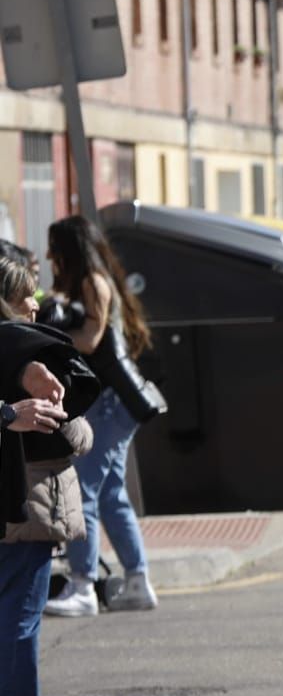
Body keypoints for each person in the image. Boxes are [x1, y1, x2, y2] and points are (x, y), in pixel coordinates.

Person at [0, 255, 99, 696]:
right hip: (28, 507)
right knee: (21, 611)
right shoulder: (16, 353)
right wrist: (75, 424)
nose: (35, 304)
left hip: (27, 504)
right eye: (25, 295)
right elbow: (69, 434)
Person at [41, 216, 159, 617]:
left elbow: (90, 341)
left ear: (70, 247)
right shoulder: (85, 282)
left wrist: (43, 339)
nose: (47, 255)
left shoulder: (92, 282)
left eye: (53, 247)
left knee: (84, 490)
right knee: (110, 494)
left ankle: (83, 586)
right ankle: (138, 581)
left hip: (109, 402)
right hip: (114, 403)